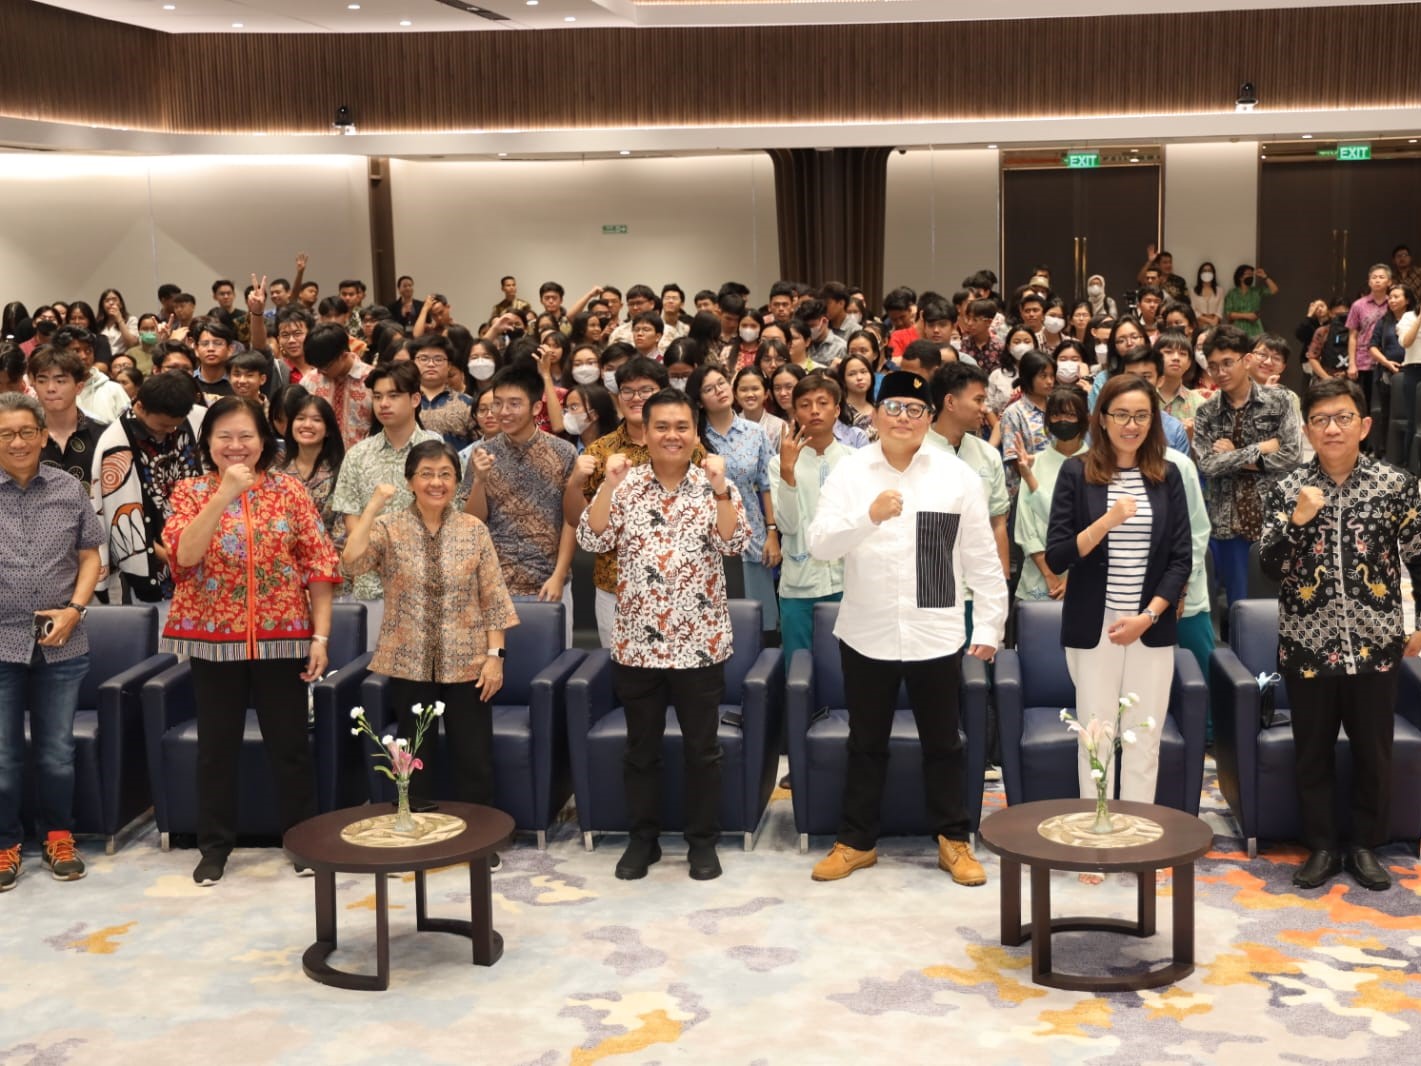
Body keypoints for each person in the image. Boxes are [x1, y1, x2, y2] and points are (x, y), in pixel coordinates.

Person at [806, 371, 1007, 886]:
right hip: (866, 629)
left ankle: (954, 841)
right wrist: (868, 517)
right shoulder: (851, 472)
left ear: (929, 417)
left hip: (934, 628)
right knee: (865, 742)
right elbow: (821, 544)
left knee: (944, 742)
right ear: (873, 415)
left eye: (914, 410)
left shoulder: (955, 475)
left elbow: (982, 556)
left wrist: (989, 622)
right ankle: (855, 842)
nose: (902, 418)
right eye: (892, 407)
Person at [161, 396, 340, 886]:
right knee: (216, 748)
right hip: (213, 639)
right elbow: (184, 558)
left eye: (246, 436)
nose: (236, 446)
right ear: (209, 443)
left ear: (264, 442)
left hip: (284, 637)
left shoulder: (290, 491)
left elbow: (320, 565)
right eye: (225, 437)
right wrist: (223, 495)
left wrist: (320, 636)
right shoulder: (190, 492)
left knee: (289, 745)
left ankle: (301, 839)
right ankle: (214, 847)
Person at [575, 389, 749, 882]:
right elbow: (593, 538)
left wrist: (719, 490)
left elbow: (734, 542)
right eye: (661, 427)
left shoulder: (715, 483)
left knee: (703, 748)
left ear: (696, 432)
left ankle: (702, 842)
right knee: (641, 749)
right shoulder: (625, 485)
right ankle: (642, 840)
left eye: (682, 427)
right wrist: (607, 485)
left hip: (701, 642)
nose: (672, 435)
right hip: (638, 641)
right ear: (645, 433)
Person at [1258, 378, 1421, 892]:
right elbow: (1269, 566)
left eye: (1343, 417)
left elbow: (1419, 554)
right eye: (1322, 419)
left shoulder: (1396, 486)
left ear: (1364, 425)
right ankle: (1323, 845)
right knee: (1312, 750)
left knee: (1374, 749)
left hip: (1377, 642)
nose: (1333, 428)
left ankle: (1366, 846)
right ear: (1308, 429)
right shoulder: (1285, 489)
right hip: (1307, 644)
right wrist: (1300, 521)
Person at [1045, 374, 1193, 882]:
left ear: (1154, 422)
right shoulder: (1075, 472)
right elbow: (1060, 554)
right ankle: (1095, 841)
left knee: (1143, 738)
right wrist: (1106, 521)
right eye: (1120, 415)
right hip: (1095, 625)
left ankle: (1138, 843)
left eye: (1141, 416)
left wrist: (1148, 615)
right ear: (1101, 419)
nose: (1131, 425)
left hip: (1148, 625)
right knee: (1097, 736)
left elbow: (1180, 558)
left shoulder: (1166, 475)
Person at [344, 441, 517, 850]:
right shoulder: (389, 528)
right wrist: (372, 507)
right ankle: (417, 835)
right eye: (426, 473)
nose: (436, 482)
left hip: (470, 661)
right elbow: (350, 564)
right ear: (410, 481)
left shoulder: (473, 530)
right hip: (409, 661)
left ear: (457, 482)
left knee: (474, 758)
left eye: (445, 474)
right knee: (413, 757)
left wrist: (496, 658)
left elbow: (493, 598)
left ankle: (482, 840)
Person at [0, 393, 104, 891]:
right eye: (6, 434)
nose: (17, 442)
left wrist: (75, 609)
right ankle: (5, 843)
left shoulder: (68, 488)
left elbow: (90, 557)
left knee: (56, 751)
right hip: (0, 643)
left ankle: (59, 835)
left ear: (43, 436)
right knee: (2, 756)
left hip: (62, 641)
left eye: (26, 432)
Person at [563, 357, 706, 648]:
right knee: (620, 677)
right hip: (615, 584)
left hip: (677, 586)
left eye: (646, 390)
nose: (636, 398)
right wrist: (576, 482)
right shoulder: (600, 450)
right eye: (628, 390)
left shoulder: (688, 448)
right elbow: (577, 520)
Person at [461, 362, 577, 643]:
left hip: (549, 581)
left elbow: (571, 522)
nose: (502, 412)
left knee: (552, 666)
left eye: (514, 404)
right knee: (496, 664)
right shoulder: (482, 453)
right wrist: (479, 480)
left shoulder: (563, 452)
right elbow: (473, 522)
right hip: (495, 583)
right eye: (497, 404)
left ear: (536, 408)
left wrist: (559, 575)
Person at [1193, 326, 1300, 607]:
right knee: (1237, 605)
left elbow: (1292, 456)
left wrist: (1234, 456)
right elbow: (1207, 466)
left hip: (1274, 519)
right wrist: (1260, 449)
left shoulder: (1280, 401)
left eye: (1228, 362)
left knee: (1278, 608)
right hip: (1227, 523)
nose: (1220, 372)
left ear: (1247, 360)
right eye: (1213, 366)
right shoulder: (1207, 412)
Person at [330, 362, 441, 604]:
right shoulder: (359, 454)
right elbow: (351, 517)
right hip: (371, 584)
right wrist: (376, 557)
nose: (383, 404)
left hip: (426, 585)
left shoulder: (437, 452)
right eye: (378, 396)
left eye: (393, 395)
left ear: (415, 399)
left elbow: (450, 514)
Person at [92, 371, 205, 603]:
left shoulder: (196, 420)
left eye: (176, 425)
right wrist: (176, 559)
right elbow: (122, 520)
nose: (171, 430)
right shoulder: (116, 444)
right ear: (140, 407)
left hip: (204, 561)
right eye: (163, 425)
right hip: (155, 568)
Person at [691, 363, 780, 637]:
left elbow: (766, 485)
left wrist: (772, 532)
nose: (719, 391)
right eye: (709, 389)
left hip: (752, 537)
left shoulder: (755, 433)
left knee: (759, 624)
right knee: (714, 625)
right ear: (699, 401)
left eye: (721, 383)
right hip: (706, 542)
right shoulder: (692, 438)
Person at [770, 374, 851, 659]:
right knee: (798, 667)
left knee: (848, 668)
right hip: (799, 582)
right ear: (794, 411)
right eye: (805, 404)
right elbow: (788, 526)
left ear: (837, 409)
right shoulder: (779, 462)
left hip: (848, 581)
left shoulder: (855, 460)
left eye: (822, 403)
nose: (814, 410)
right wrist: (788, 473)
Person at [926, 362, 1011, 584]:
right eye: (978, 400)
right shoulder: (914, 453)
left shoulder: (987, 454)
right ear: (950, 402)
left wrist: (1002, 576)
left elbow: (998, 521)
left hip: (980, 581)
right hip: (930, 582)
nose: (985, 408)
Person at [1016, 387, 1088, 601]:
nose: (1062, 420)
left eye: (1070, 414)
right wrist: (1049, 574)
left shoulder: (1097, 465)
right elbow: (1025, 524)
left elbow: (1092, 527)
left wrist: (1073, 577)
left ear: (1083, 419)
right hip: (1038, 579)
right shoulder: (1032, 463)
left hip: (1084, 575)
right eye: (1056, 414)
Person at [31, 347, 107, 496]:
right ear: (34, 385)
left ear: (78, 387)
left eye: (60, 381)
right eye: (42, 381)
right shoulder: (21, 436)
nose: (51, 388)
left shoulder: (104, 435)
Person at [279, 392, 346, 554]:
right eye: (300, 418)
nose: (307, 425)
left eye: (316, 420)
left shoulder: (342, 473)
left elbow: (342, 532)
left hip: (327, 564)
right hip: (283, 563)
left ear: (328, 430)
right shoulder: (276, 474)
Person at [304, 322, 373, 450]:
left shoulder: (372, 380)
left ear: (344, 356)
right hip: (319, 461)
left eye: (325, 367)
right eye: (316, 367)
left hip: (363, 462)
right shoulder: (309, 381)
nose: (320, 372)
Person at [411, 334, 475, 450]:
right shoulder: (404, 402)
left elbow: (478, 444)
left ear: (449, 365)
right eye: (424, 359)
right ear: (413, 362)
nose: (431, 364)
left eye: (438, 359)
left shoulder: (467, 403)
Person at [1223, 264, 1278, 340]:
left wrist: (1265, 276)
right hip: (1238, 328)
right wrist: (1248, 315)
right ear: (1240, 277)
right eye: (1248, 274)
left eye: (1252, 274)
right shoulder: (1232, 293)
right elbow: (1229, 314)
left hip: (1255, 328)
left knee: (1256, 348)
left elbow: (1274, 290)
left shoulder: (1256, 291)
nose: (1251, 276)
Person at [1191, 262, 1224, 328]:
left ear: (1213, 273)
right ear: (1200, 274)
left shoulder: (1220, 290)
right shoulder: (1193, 291)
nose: (1207, 273)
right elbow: (1193, 309)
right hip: (1200, 323)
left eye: (1209, 271)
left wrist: (1215, 320)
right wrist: (1208, 320)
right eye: (1204, 271)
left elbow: (1220, 308)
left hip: (1215, 323)